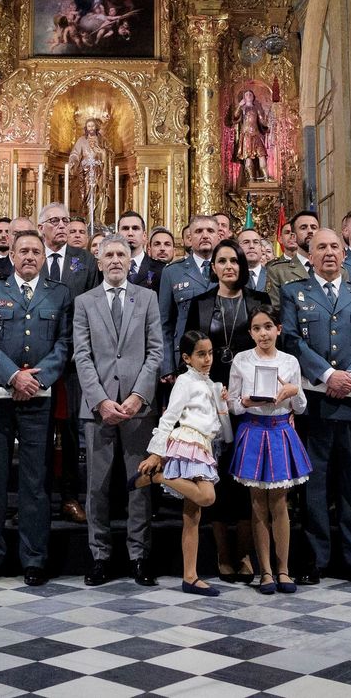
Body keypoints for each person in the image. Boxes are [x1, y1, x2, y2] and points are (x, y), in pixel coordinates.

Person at [0, 229, 72, 585]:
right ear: (11, 255)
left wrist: (36, 379)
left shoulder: (59, 294)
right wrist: (14, 376)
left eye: (35, 252)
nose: (29, 257)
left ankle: (34, 558)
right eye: (23, 251)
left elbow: (64, 344)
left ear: (44, 257)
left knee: (35, 481)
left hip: (39, 399)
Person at [286, 228, 351, 587]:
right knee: (314, 486)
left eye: (334, 247)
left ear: (344, 254)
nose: (328, 253)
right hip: (315, 405)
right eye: (320, 247)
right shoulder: (293, 293)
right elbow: (292, 339)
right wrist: (328, 375)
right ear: (308, 255)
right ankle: (316, 559)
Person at [73, 235, 164, 586]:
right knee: (97, 486)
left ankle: (138, 557)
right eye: (108, 254)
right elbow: (82, 354)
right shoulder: (84, 302)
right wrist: (100, 400)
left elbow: (156, 351)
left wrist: (139, 395)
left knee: (139, 485)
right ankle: (99, 556)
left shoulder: (147, 298)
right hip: (98, 408)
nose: (114, 260)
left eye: (120, 255)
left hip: (137, 408)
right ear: (98, 262)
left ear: (130, 261)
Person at [185, 240, 278, 581]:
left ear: (242, 265)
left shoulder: (259, 301)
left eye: (234, 261)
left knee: (248, 478)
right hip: (211, 400)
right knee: (217, 475)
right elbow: (190, 353)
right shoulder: (201, 303)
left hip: (252, 399)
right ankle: (224, 553)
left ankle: (246, 555)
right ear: (213, 267)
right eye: (222, 261)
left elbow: (272, 348)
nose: (229, 266)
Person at [134, 331, 232, 596]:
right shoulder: (185, 382)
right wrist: (156, 453)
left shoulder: (210, 384)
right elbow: (169, 418)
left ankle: (190, 576)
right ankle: (159, 476)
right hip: (188, 443)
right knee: (207, 497)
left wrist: (223, 402)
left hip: (204, 446)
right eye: (201, 354)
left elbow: (221, 427)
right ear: (187, 358)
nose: (207, 359)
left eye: (210, 353)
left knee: (193, 515)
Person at [229, 309, 310, 595]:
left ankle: (284, 569)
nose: (263, 333)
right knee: (257, 503)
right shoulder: (241, 360)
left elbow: (300, 406)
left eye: (268, 327)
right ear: (250, 333)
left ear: (278, 329)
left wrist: (291, 392)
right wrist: (247, 402)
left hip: (280, 431)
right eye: (256, 328)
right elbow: (233, 405)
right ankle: (265, 571)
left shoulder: (289, 361)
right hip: (253, 429)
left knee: (279, 503)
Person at [38, 203, 96, 523]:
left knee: (72, 429)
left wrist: (82, 347)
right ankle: (39, 497)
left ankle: (71, 496)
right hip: (38, 361)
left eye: (65, 220)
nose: (61, 226)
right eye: (54, 221)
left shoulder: (83, 260)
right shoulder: (32, 257)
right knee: (40, 429)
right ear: (41, 227)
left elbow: (90, 308)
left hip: (74, 360)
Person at [158, 215, 218, 348]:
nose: (205, 235)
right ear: (189, 238)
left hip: (221, 353)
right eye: (198, 231)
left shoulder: (229, 269)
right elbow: (164, 324)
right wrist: (168, 366)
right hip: (185, 353)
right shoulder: (172, 272)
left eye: (210, 231)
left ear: (218, 236)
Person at [265, 210, 319, 293]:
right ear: (293, 236)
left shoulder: (338, 270)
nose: (310, 231)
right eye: (303, 228)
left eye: (314, 227)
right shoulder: (277, 271)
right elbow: (274, 305)